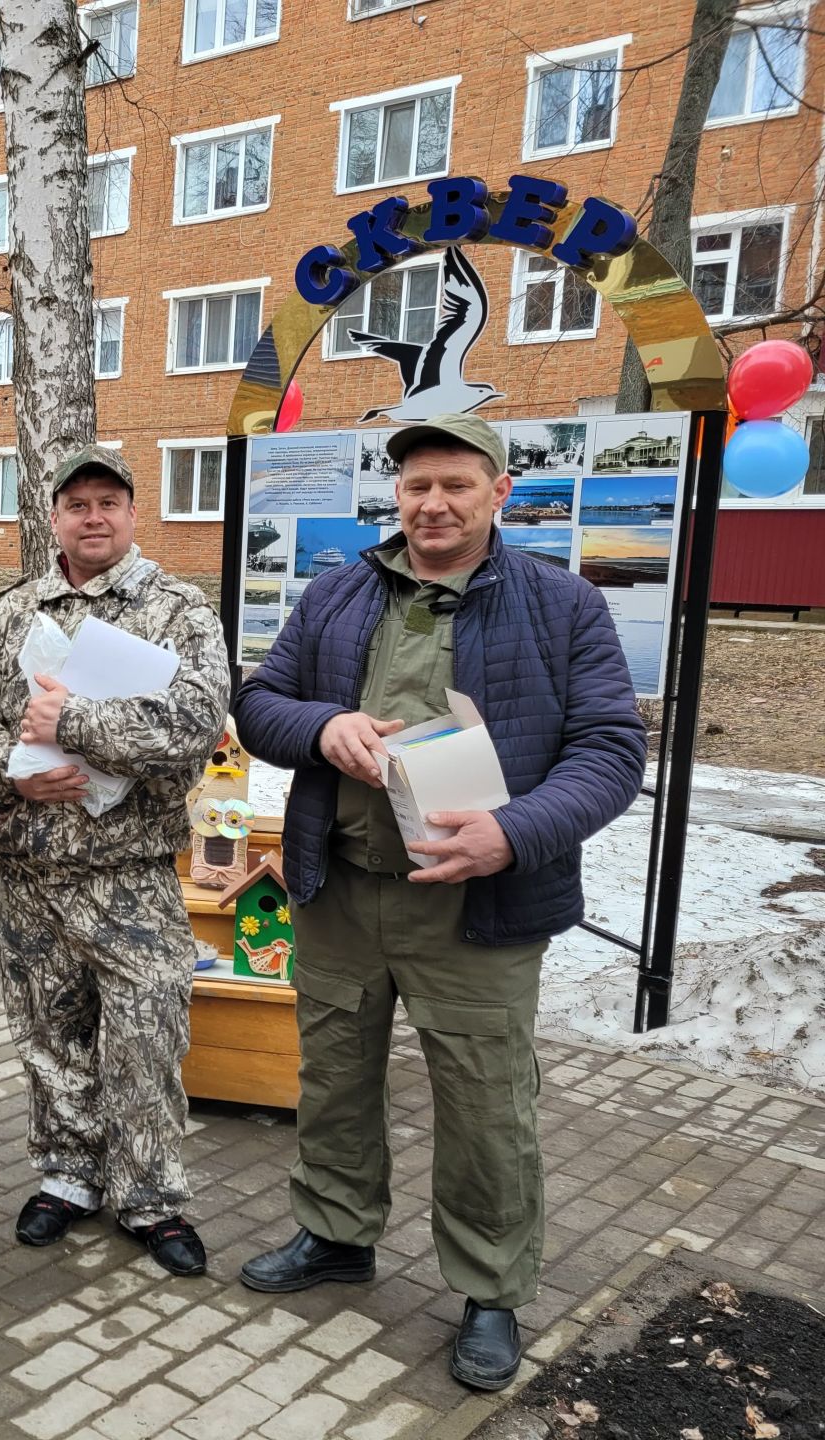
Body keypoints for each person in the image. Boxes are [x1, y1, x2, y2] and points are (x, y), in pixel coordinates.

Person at [232, 413, 646, 1390]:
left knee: (485, 1106)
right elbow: (259, 702)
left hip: (478, 906)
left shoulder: (560, 606)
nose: (433, 503)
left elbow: (610, 748)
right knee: (333, 1077)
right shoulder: (337, 594)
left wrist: (518, 829)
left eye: (457, 484)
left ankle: (491, 1289)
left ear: (500, 491)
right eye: (417, 485)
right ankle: (336, 1233)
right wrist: (323, 725)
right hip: (343, 889)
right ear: (397, 495)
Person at [0, 446, 229, 1276]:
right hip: (32, 868)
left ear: (134, 514)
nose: (93, 516)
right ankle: (68, 1175)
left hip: (129, 874)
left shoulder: (177, 609)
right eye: (77, 504)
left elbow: (194, 725)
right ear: (55, 518)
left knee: (145, 1036)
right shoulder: (9, 615)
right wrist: (12, 775)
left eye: (110, 501)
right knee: (50, 1036)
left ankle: (151, 1198)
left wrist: (70, 724)